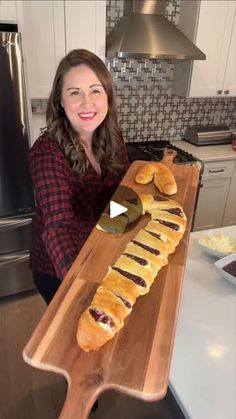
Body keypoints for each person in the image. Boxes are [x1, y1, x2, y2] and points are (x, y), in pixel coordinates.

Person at [29, 49, 130, 305]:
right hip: (59, 268)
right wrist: (80, 287)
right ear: (60, 101)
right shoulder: (48, 152)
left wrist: (118, 241)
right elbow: (57, 226)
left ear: (107, 95)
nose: (87, 103)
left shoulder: (113, 136)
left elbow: (123, 194)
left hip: (101, 253)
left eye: (95, 90)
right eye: (75, 93)